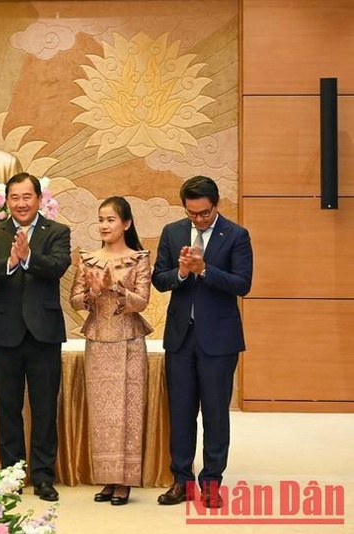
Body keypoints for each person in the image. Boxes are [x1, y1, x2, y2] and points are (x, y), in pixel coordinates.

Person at [152, 176, 253, 508]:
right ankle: (181, 480)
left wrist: (205, 269)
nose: (198, 219)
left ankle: (211, 482)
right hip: (181, 338)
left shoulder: (236, 235)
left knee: (215, 413)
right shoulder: (173, 232)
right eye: (192, 213)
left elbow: (242, 284)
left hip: (219, 340)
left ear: (216, 205)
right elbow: (159, 279)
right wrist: (182, 273)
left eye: (204, 213)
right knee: (180, 413)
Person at [0, 172, 71, 502]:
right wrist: (11, 261)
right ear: (7, 201)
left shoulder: (57, 231)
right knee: (8, 407)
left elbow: (57, 266)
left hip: (44, 333)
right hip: (5, 333)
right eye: (14, 197)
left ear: (39, 199)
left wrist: (29, 257)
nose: (21, 203)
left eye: (27, 197)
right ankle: (12, 473)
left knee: (45, 408)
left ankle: (43, 476)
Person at [70, 197, 152, 506]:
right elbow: (75, 301)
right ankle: (107, 478)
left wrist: (115, 288)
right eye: (101, 219)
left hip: (129, 341)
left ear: (126, 223)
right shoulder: (88, 259)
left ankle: (125, 480)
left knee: (128, 412)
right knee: (103, 413)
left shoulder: (138, 258)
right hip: (98, 341)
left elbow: (142, 301)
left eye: (111, 220)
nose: (104, 225)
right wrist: (93, 291)